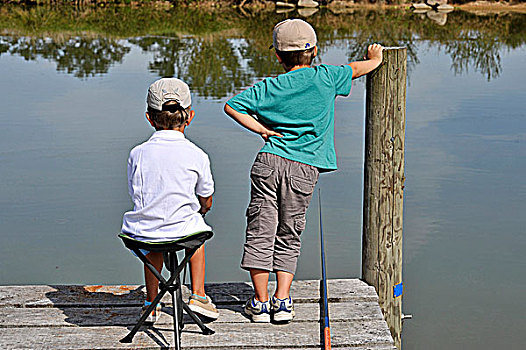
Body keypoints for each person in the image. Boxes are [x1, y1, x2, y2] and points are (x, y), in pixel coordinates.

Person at [224, 19, 383, 323]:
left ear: (277, 56)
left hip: (268, 163)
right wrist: (375, 58)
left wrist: (264, 131)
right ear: (314, 51)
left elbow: (232, 106)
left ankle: (259, 302)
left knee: (260, 228)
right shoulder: (326, 77)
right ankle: (282, 301)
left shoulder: (269, 87)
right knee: (289, 231)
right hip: (304, 169)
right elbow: (357, 68)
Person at [122, 78, 219, 323]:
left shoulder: (137, 153)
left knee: (151, 244)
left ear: (149, 117)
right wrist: (203, 209)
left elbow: (138, 195)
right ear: (190, 116)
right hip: (184, 233)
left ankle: (151, 302)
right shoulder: (197, 154)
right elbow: (206, 196)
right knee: (197, 234)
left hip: (142, 232)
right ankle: (198, 295)